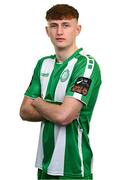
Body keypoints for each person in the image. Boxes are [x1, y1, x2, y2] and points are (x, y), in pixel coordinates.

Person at [20, 4, 102, 180]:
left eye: (66, 25)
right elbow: (24, 112)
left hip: (73, 168)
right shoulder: (43, 64)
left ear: (77, 29)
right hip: (45, 163)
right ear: (47, 30)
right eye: (54, 25)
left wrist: (39, 101)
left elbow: (64, 116)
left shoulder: (86, 65)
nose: (59, 31)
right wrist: (58, 109)